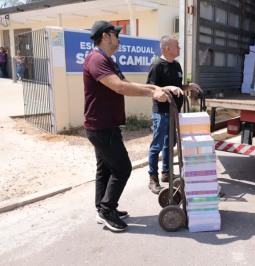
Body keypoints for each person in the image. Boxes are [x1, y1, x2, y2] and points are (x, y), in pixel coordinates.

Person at [84, 20, 182, 232]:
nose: (118, 39)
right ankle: (107, 210)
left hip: (104, 125)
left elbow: (128, 84)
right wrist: (152, 92)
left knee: (105, 169)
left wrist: (157, 87)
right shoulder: (96, 59)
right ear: (104, 36)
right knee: (122, 168)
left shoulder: (108, 60)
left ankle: (102, 208)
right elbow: (119, 87)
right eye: (115, 35)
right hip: (101, 126)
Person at [147, 34, 203, 194]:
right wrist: (168, 88)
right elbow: (150, 88)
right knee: (157, 145)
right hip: (162, 113)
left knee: (169, 144)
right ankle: (153, 178)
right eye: (177, 45)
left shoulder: (177, 66)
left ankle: (166, 173)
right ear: (167, 48)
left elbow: (178, 87)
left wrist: (189, 86)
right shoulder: (157, 66)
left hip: (174, 113)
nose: (179, 47)